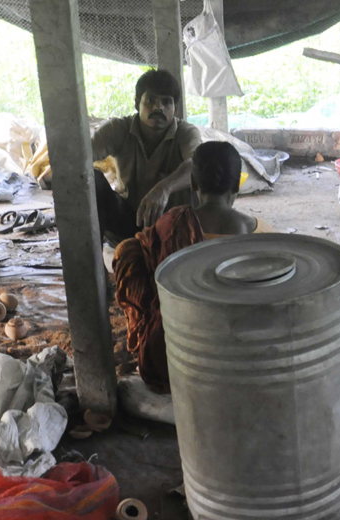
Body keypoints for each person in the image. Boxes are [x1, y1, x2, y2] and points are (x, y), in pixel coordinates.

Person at [112, 141, 274, 389]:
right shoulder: (265, 233)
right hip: (248, 358)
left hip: (179, 359)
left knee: (130, 251)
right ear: (238, 184)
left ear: (194, 184)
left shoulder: (172, 225)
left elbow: (130, 254)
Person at [92, 69, 202, 244]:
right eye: (150, 100)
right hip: (129, 221)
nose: (158, 108)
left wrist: (164, 188)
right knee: (91, 179)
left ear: (176, 108)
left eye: (166, 102)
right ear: (137, 104)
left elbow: (198, 166)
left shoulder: (186, 133)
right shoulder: (118, 129)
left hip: (173, 225)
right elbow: (80, 157)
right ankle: (94, 265)